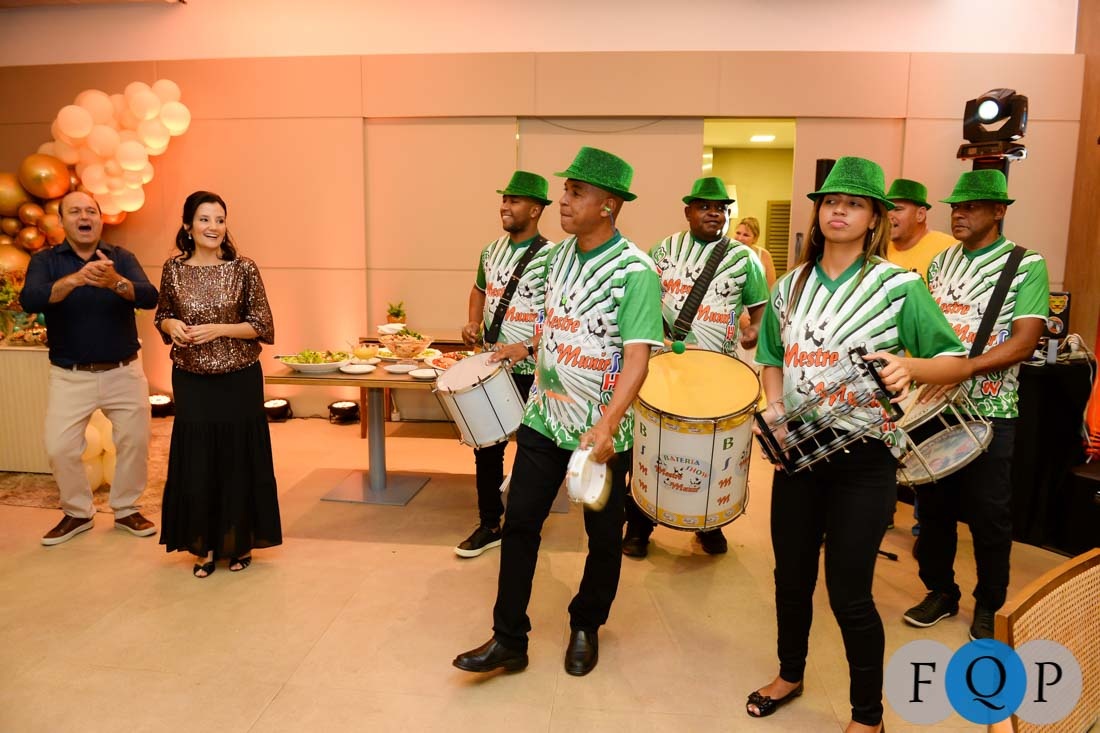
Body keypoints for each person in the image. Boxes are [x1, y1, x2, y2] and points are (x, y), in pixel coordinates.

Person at [748, 157, 971, 733]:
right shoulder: (789, 286)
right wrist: (774, 405)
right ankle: (789, 674)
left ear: (874, 218)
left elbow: (953, 362)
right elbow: (771, 357)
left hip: (865, 457)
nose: (839, 211)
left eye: (854, 204)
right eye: (830, 202)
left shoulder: (899, 286)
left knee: (849, 590)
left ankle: (867, 716)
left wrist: (909, 366)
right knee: (791, 577)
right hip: (799, 453)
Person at [453, 146, 663, 677]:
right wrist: (525, 347)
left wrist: (609, 424)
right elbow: (554, 321)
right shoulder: (554, 258)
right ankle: (508, 638)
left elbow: (638, 358)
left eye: (576, 192)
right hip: (544, 418)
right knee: (521, 523)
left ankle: (586, 624)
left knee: (602, 537)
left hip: (601, 434)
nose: (563, 201)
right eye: (565, 190)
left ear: (608, 205)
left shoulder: (636, 271)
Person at [902, 169, 1048, 640]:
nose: (958, 215)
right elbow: (924, 332)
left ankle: (990, 602)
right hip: (935, 408)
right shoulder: (940, 264)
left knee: (989, 516)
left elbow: (1025, 341)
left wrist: (964, 369)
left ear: (998, 211)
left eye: (970, 207)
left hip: (991, 409)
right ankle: (941, 591)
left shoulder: (1026, 264)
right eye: (955, 207)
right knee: (934, 512)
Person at [622, 176, 769, 557]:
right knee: (650, 445)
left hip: (718, 374)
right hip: (664, 370)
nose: (714, 213)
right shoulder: (662, 251)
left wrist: (753, 331)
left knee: (711, 448)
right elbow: (640, 300)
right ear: (688, 211)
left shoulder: (744, 259)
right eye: (705, 206)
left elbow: (760, 310)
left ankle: (709, 524)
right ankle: (639, 525)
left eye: (721, 208)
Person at [20, 191, 159, 546]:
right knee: (60, 447)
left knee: (134, 442)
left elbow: (149, 296)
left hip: (124, 371)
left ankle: (126, 509)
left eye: (91, 211)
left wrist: (116, 282)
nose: (85, 217)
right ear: (62, 221)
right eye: (75, 211)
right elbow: (30, 299)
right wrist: (75, 279)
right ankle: (78, 512)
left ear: (99, 218)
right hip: (70, 375)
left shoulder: (121, 257)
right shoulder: (46, 261)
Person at [154, 191, 281, 577]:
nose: (213, 227)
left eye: (220, 219)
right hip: (191, 379)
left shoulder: (243, 269)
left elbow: (262, 325)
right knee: (198, 460)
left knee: (237, 458)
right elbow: (163, 314)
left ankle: (239, 541)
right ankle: (203, 545)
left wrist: (219, 330)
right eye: (205, 219)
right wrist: (172, 325)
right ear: (188, 226)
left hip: (239, 378)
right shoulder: (173, 269)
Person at [455, 171, 553, 558]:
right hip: (493, 368)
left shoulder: (554, 257)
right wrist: (472, 321)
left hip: (534, 371)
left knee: (532, 450)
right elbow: (479, 289)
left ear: (535, 209)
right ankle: (489, 523)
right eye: (504, 199)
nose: (504, 207)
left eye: (514, 201)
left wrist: (527, 347)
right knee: (487, 448)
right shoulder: (490, 251)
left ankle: (523, 524)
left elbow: (563, 317)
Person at [884, 178, 955, 282]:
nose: (888, 216)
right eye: (886, 209)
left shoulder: (949, 249)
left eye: (897, 209)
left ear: (920, 214)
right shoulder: (878, 249)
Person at [732, 216, 777, 287]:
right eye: (738, 233)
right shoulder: (727, 252)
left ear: (755, 238)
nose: (740, 238)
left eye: (746, 235)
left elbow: (771, 286)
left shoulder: (764, 255)